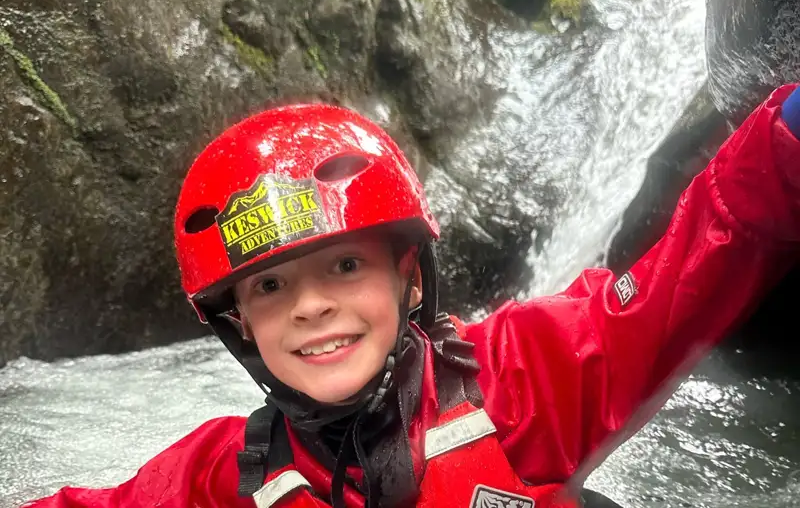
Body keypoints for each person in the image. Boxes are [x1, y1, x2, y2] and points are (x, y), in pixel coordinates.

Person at [23, 83, 800, 508]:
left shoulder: (521, 376)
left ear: (410, 277)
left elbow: (683, 277)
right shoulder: (219, 476)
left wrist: (785, 141)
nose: (310, 307)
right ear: (239, 325)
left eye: (345, 268)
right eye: (269, 286)